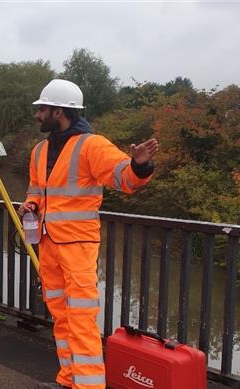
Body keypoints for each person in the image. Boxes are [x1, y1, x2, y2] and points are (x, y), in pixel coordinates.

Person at [21, 79, 158, 389]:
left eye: (42, 109)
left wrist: (139, 166)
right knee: (61, 317)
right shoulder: (40, 150)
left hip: (78, 247)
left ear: (59, 111)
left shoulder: (92, 145)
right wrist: (30, 204)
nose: (37, 115)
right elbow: (36, 190)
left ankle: (89, 385)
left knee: (81, 320)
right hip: (48, 244)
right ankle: (68, 378)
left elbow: (123, 177)